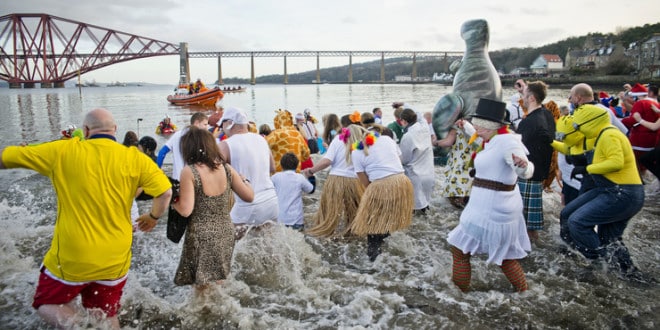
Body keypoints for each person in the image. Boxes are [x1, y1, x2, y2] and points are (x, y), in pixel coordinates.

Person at [0, 108, 172, 329]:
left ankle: (82, 327)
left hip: (74, 256)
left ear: (86, 130)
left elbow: (5, 159)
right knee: (106, 315)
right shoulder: (135, 158)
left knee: (45, 302)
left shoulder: (63, 150)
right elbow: (165, 193)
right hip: (116, 256)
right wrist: (153, 216)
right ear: (115, 130)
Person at [447, 98, 534, 293]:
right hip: (495, 205)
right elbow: (484, 145)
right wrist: (467, 128)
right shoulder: (494, 139)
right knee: (505, 257)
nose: (475, 125)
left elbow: (526, 171)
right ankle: (524, 292)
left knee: (459, 249)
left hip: (491, 207)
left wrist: (523, 167)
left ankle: (459, 294)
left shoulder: (508, 142)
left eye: (477, 122)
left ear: (488, 125)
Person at [559, 104, 645, 279]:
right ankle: (628, 273)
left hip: (622, 193)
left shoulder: (609, 135)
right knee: (606, 237)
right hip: (611, 190)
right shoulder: (598, 135)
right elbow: (572, 148)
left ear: (589, 123)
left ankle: (599, 263)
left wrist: (588, 168)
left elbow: (616, 162)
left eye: (578, 126)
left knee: (578, 221)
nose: (578, 130)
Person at [171, 126, 253, 294]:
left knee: (201, 288)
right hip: (225, 231)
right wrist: (246, 181)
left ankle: (203, 316)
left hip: (201, 235)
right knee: (219, 281)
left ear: (188, 148)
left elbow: (185, 210)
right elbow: (249, 197)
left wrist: (171, 201)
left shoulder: (190, 171)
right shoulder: (226, 169)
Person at [343, 124, 414, 261]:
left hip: (381, 185)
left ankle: (374, 261)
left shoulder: (356, 151)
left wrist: (376, 193)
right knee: (385, 219)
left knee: (372, 223)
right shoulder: (388, 140)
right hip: (402, 183)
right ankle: (388, 253)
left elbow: (365, 183)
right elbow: (398, 161)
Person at [218, 107, 279, 231]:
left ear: (229, 123)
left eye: (222, 125)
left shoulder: (225, 145)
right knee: (266, 245)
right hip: (271, 201)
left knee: (228, 243)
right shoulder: (261, 140)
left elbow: (212, 175)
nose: (222, 129)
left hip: (247, 205)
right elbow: (272, 167)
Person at [303, 121, 365, 237]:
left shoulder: (338, 140)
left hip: (335, 180)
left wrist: (311, 171)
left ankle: (327, 233)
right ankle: (353, 234)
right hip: (355, 182)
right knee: (354, 213)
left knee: (328, 214)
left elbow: (327, 161)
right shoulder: (363, 144)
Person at [516, 81, 556, 241]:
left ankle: (527, 254)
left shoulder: (529, 122)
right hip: (540, 172)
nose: (522, 98)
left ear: (531, 98)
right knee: (530, 223)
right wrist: (524, 89)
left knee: (525, 224)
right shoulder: (546, 114)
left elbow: (517, 148)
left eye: (524, 95)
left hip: (528, 174)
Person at [399, 108, 435, 215]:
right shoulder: (425, 127)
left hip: (415, 176)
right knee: (425, 207)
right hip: (429, 174)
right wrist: (404, 105)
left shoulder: (407, 136)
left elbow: (404, 159)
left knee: (412, 209)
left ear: (404, 121)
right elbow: (419, 114)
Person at [435, 117, 476, 209]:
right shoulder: (477, 128)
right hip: (471, 168)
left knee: (455, 202)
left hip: (458, 168)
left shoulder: (457, 126)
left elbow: (447, 142)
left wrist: (435, 143)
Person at [621, 84, 659, 178]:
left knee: (635, 161)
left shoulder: (640, 103)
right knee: (647, 162)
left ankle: (639, 181)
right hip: (653, 139)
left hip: (639, 139)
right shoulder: (656, 104)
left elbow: (633, 119)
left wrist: (622, 121)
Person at [157, 112, 209, 181]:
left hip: (177, 178)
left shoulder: (177, 134)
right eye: (205, 124)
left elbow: (162, 152)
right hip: (194, 179)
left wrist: (157, 171)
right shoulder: (199, 138)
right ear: (196, 123)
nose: (207, 128)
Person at [271, 152, 314, 231]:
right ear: (297, 165)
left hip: (280, 220)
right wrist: (311, 177)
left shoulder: (275, 177)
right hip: (296, 221)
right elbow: (311, 190)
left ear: (281, 165)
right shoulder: (300, 178)